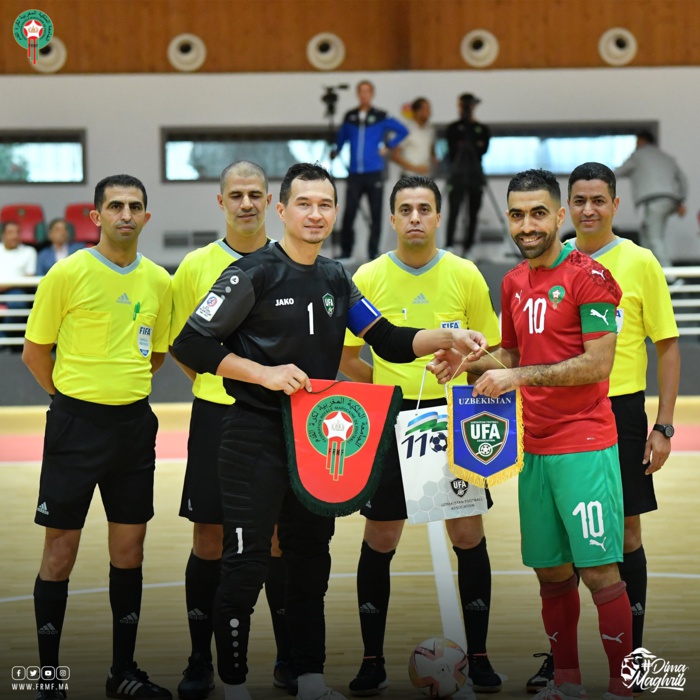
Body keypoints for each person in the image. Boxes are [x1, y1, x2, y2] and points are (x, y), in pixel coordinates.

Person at [172, 162, 488, 700]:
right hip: (252, 438)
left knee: (310, 563)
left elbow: (388, 340)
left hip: (315, 443)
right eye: (304, 203)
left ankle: (311, 678)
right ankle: (235, 685)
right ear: (282, 210)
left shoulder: (336, 278)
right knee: (245, 566)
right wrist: (264, 374)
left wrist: (445, 337)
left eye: (324, 204)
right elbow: (191, 343)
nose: (315, 214)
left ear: (336, 212)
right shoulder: (251, 273)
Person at [431, 169, 634, 700]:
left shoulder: (591, 277)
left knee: (600, 572)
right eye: (518, 215)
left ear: (560, 216)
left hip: (584, 445)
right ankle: (566, 682)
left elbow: (598, 363)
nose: (528, 225)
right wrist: (464, 362)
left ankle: (623, 685)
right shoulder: (514, 282)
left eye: (539, 213)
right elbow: (512, 355)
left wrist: (516, 378)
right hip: (532, 448)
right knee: (551, 572)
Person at [339, 175, 502, 696]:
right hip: (392, 420)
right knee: (380, 538)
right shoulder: (367, 276)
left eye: (424, 208)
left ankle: (479, 657)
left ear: (437, 216)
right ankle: (371, 660)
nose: (415, 217)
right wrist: (387, 388)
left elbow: (496, 355)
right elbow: (348, 358)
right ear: (391, 218)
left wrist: (464, 366)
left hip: (453, 417)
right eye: (405, 209)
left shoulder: (465, 274)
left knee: (467, 537)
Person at [524, 163, 681, 693]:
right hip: (558, 413)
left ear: (616, 204)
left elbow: (667, 346)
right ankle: (561, 663)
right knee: (562, 547)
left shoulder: (639, 261)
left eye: (598, 200)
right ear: (565, 208)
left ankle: (632, 663)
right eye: (580, 200)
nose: (588, 209)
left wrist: (663, 425)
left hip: (619, 412)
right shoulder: (552, 257)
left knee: (626, 534)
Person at [22, 175, 173, 700]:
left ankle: (122, 673)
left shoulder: (160, 281)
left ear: (147, 217)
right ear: (96, 216)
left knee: (129, 551)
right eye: (115, 206)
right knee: (60, 552)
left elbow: (156, 355)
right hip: (75, 427)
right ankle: (48, 680)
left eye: (135, 206)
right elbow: (35, 353)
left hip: (133, 428)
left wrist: (118, 391)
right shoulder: (67, 273)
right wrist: (71, 400)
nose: (125, 214)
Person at [169, 160, 295, 699]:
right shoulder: (196, 266)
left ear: (270, 202)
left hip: (277, 418)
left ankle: (289, 658)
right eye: (236, 195)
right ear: (221, 202)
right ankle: (201, 659)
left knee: (276, 539)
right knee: (210, 537)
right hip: (216, 416)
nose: (246, 203)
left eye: (255, 194)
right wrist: (220, 384)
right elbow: (184, 345)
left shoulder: (289, 261)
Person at [332, 80, 409, 262]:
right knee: (349, 213)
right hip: (354, 173)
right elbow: (342, 138)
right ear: (357, 94)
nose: (364, 95)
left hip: (374, 171)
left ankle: (373, 252)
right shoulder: (350, 116)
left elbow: (403, 130)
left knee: (376, 214)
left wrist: (388, 146)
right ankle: (346, 252)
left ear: (372, 94)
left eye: (367, 91)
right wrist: (337, 150)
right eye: (361, 91)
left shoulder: (381, 116)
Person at [614, 131, 687, 279]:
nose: (636, 146)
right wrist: (681, 201)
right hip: (670, 200)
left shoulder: (638, 155)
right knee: (646, 234)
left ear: (642, 141)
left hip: (653, 200)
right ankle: (650, 274)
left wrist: (597, 176)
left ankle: (671, 279)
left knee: (654, 238)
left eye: (637, 142)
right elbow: (683, 180)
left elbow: (618, 171)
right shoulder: (667, 158)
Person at [444, 93, 491, 257]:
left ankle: (469, 247)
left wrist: (470, 143)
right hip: (457, 175)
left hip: (475, 175)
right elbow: (452, 150)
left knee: (473, 214)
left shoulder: (481, 128)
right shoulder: (453, 128)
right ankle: (449, 245)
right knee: (453, 212)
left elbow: (483, 150)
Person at [0, 220, 38, 344]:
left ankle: (2, 337)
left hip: (15, 290)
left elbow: (30, 276)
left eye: (17, 232)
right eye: (10, 232)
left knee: (19, 303)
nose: (15, 236)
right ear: (3, 235)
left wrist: (6, 285)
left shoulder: (29, 251)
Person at [390, 98, 436, 176]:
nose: (429, 113)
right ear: (418, 112)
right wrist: (416, 169)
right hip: (409, 176)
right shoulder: (406, 129)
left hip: (426, 176)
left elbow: (431, 150)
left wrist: (433, 159)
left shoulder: (430, 129)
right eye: (427, 110)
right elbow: (394, 156)